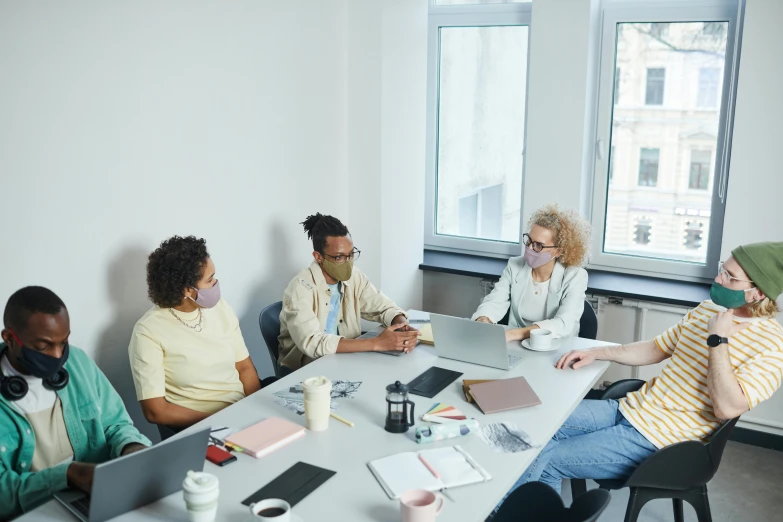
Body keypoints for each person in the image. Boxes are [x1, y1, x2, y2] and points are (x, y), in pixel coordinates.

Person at [508, 242, 783, 497]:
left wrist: (718, 340)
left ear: (757, 292)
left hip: (663, 442)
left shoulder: (771, 346)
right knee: (542, 424)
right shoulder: (707, 310)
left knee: (548, 460)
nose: (719, 279)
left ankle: (506, 513)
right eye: (722, 269)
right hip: (630, 408)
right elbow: (655, 349)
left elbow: (726, 408)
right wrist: (597, 352)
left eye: (730, 277)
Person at [0, 287, 151, 519]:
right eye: (43, 347)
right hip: (33, 511)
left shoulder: (78, 363)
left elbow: (117, 425)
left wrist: (132, 448)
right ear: (9, 338)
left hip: (94, 498)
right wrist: (67, 475)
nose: (58, 355)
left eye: (64, 342)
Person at [128, 235, 261, 429]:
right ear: (187, 290)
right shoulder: (148, 332)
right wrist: (221, 422)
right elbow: (155, 410)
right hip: (203, 427)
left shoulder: (220, 308)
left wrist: (256, 410)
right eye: (210, 279)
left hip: (242, 414)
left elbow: (245, 368)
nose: (216, 283)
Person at [277, 213, 418, 374]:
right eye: (339, 257)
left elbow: (383, 307)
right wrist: (378, 343)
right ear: (318, 257)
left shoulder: (354, 276)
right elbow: (313, 343)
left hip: (346, 362)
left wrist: (401, 326)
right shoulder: (299, 289)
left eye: (351, 254)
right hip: (305, 371)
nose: (348, 262)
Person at [473, 204, 592, 342]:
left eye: (538, 245)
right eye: (529, 240)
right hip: (516, 345)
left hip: (555, 346)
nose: (529, 248)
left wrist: (514, 334)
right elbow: (495, 300)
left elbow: (563, 324)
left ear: (558, 251)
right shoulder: (515, 265)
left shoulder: (575, 276)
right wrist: (483, 319)